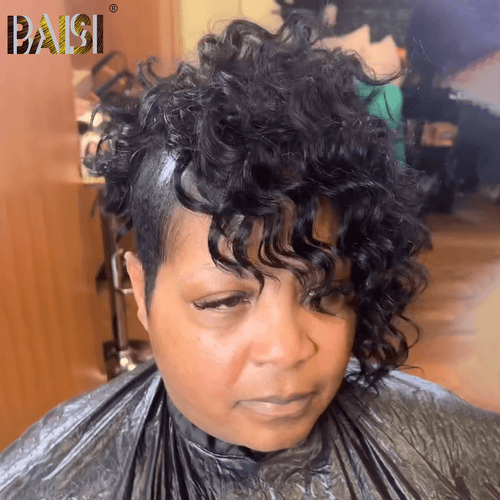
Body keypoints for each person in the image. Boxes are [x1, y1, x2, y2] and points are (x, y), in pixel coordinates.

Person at [1, 14, 499, 500]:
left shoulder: (459, 455)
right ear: (140, 288)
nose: (287, 350)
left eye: (326, 293)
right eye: (223, 301)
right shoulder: (43, 481)